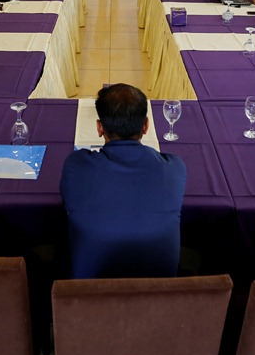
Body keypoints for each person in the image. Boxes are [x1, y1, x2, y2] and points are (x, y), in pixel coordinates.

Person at [60, 83, 187, 278]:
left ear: (99, 128)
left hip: (88, 292)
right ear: (146, 126)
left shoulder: (76, 165)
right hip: (160, 290)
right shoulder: (174, 167)